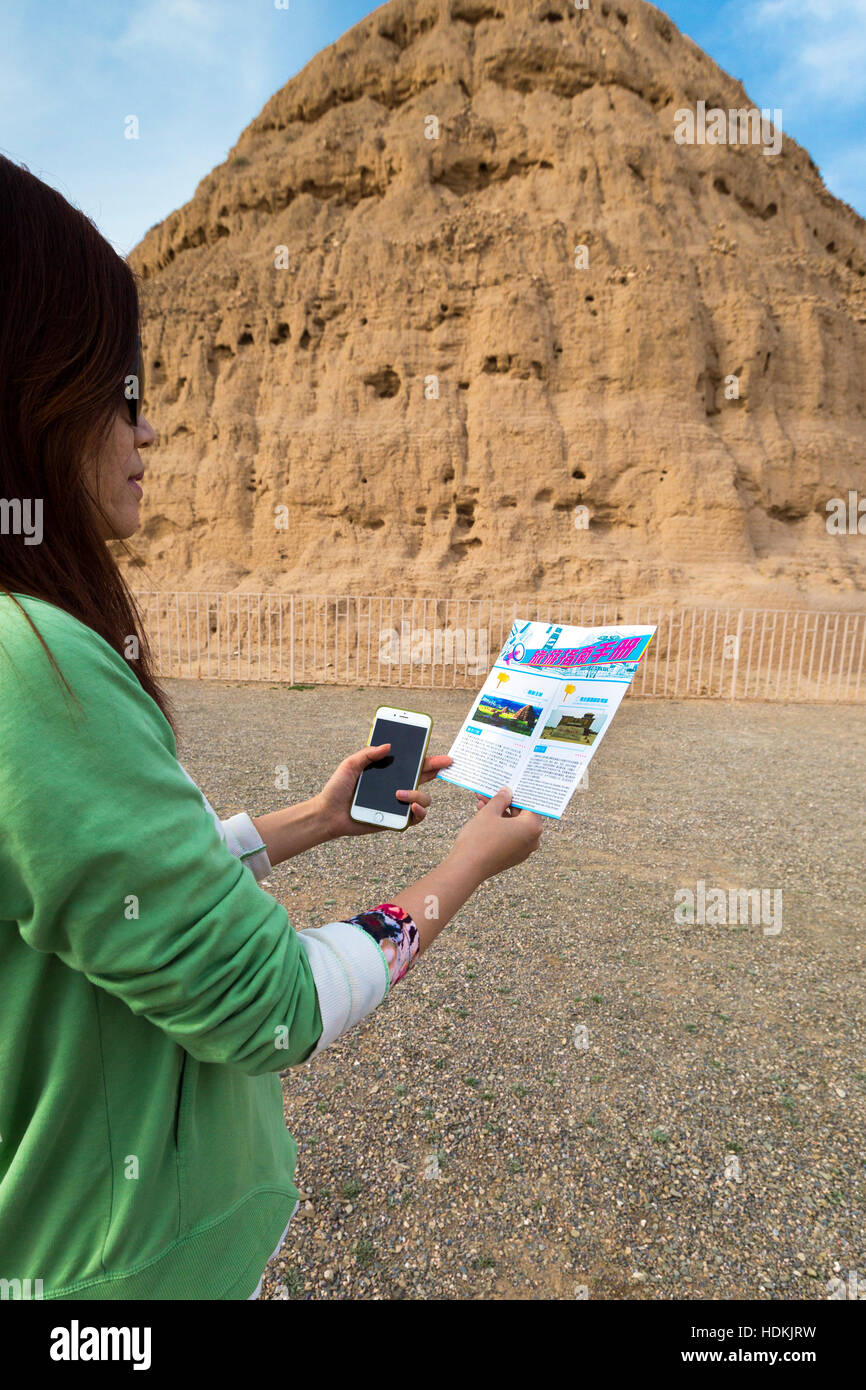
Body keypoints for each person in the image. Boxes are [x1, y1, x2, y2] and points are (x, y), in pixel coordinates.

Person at [0, 155, 544, 1300]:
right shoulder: (35, 668)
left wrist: (310, 819)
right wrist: (464, 868)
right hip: (131, 1282)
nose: (147, 431)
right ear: (33, 391)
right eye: (124, 388)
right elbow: (275, 1006)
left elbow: (102, 898)